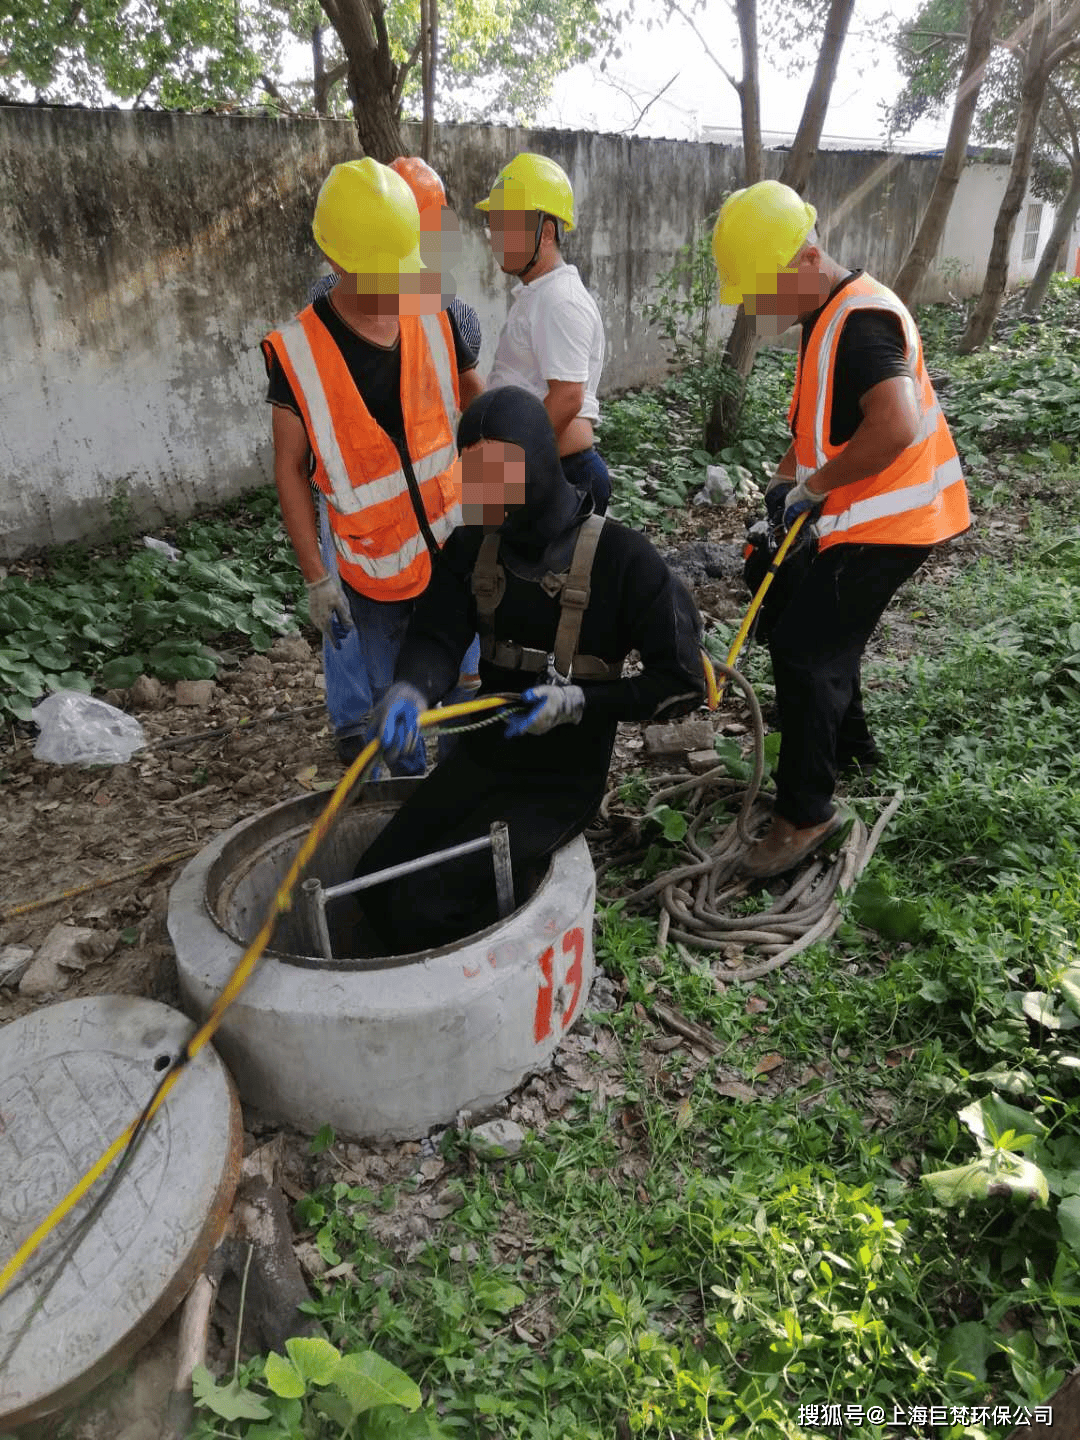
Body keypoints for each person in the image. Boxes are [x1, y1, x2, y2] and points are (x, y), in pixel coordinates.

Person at [350, 386, 705, 954]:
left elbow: (684, 682)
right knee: (372, 880)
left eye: (499, 473)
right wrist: (411, 688)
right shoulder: (472, 546)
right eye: (474, 473)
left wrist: (583, 703)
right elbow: (437, 634)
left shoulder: (622, 560)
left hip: (562, 781)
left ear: (538, 463)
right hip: (486, 759)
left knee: (424, 904)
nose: (483, 491)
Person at [712, 179, 971, 880]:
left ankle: (804, 816)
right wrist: (778, 498)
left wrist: (813, 489)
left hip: (895, 519)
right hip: (859, 511)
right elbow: (814, 430)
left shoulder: (859, 322)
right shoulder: (824, 316)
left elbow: (896, 424)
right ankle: (849, 748)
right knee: (810, 619)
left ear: (802, 260)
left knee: (804, 648)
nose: (755, 308)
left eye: (759, 291)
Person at [262, 158, 478, 773]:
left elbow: (483, 406)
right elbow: (290, 467)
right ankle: (407, 806)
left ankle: (460, 793)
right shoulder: (298, 352)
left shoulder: (432, 309)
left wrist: (508, 510)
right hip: (374, 576)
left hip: (454, 549)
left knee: (466, 687)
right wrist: (316, 576)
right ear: (335, 262)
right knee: (395, 706)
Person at [477, 153, 612, 514]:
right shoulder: (540, 294)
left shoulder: (559, 299)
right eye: (494, 225)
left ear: (546, 232)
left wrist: (505, 470)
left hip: (560, 475)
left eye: (507, 225)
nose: (496, 239)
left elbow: (568, 396)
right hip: (543, 470)